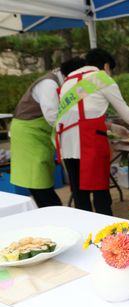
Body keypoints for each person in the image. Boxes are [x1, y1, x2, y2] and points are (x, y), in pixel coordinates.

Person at [55, 48, 129, 216]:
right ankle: (106, 233)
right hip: (90, 141)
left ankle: (85, 233)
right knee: (100, 192)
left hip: (67, 143)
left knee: (79, 194)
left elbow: (80, 114)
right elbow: (128, 116)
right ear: (106, 66)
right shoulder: (102, 78)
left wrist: (112, 127)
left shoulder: (68, 80)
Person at [10, 57, 85, 207]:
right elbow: (52, 116)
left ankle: (51, 209)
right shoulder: (49, 84)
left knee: (43, 175)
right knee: (37, 177)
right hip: (28, 133)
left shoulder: (60, 82)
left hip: (41, 132)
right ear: (70, 76)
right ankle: (52, 211)